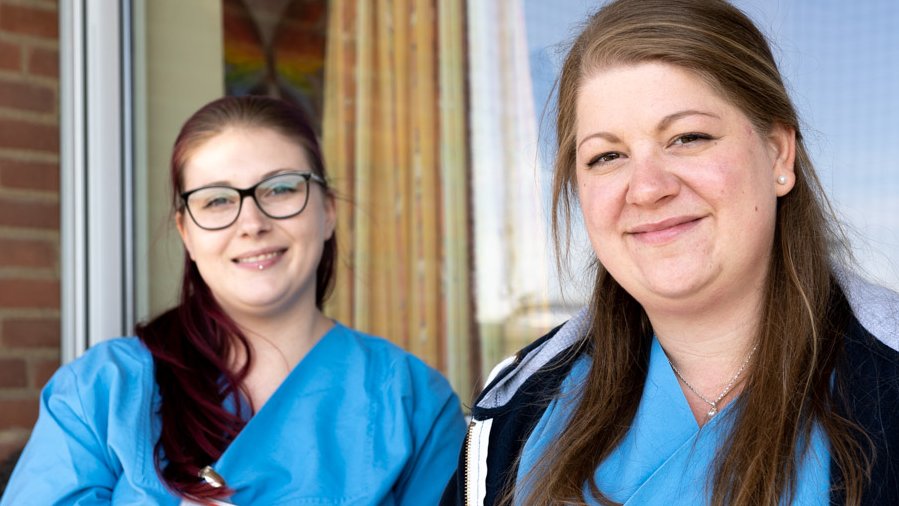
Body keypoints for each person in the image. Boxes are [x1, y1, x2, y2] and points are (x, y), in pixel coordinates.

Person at [441, 0, 899, 505]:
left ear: (778, 154)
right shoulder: (516, 414)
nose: (647, 188)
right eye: (607, 156)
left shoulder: (888, 389)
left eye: (687, 137)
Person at [3, 95, 466, 505]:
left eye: (281, 188)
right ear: (186, 232)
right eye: (217, 201)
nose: (251, 222)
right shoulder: (100, 393)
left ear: (327, 212)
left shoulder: (414, 403)